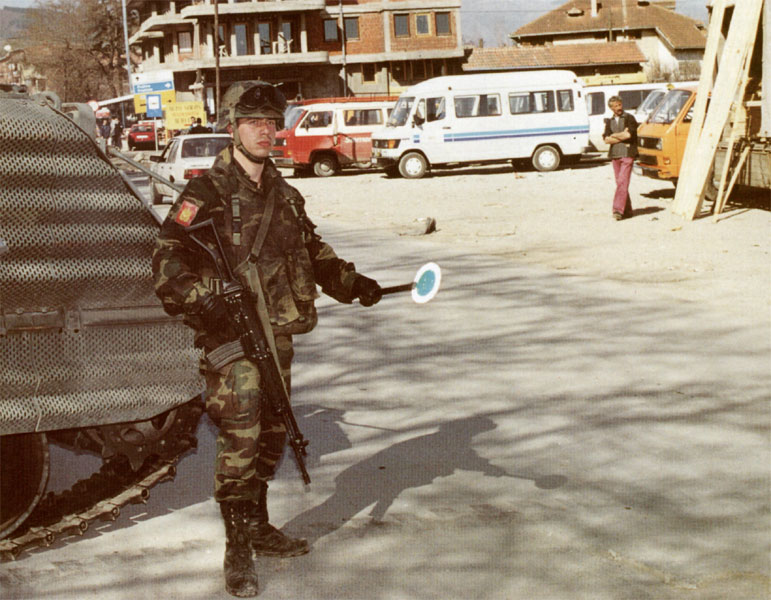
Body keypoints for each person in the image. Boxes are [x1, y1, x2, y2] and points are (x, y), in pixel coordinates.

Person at [152, 80, 382, 598]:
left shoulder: (284, 192)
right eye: (252, 121)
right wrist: (203, 296)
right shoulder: (204, 193)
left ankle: (257, 525)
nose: (264, 130)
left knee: (274, 431)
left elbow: (313, 252)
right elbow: (167, 258)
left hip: (275, 335)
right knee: (240, 435)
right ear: (231, 128)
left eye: (270, 121)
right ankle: (237, 547)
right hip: (231, 337)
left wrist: (352, 283)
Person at [602, 95, 638, 220]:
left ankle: (617, 210)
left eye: (619, 105)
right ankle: (627, 210)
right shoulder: (609, 121)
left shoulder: (629, 118)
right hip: (615, 155)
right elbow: (606, 140)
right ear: (611, 108)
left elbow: (628, 135)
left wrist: (614, 135)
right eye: (615, 106)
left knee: (622, 182)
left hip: (627, 154)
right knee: (620, 183)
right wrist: (620, 135)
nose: (618, 108)